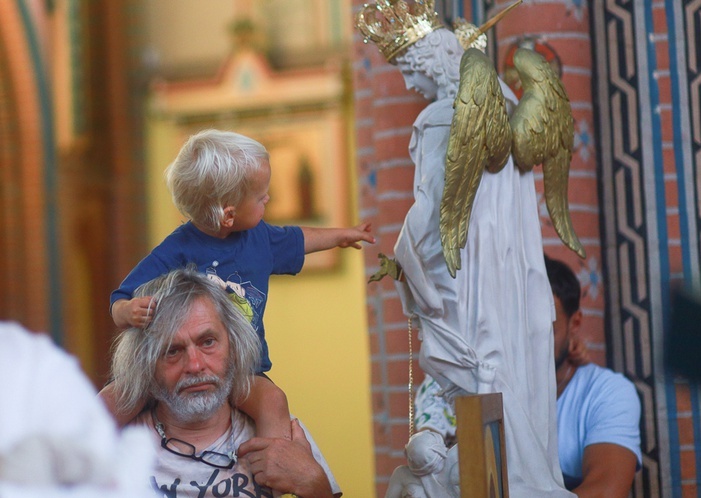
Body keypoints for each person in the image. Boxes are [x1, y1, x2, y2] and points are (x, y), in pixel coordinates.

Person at [358, 2, 568, 495]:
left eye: (409, 68)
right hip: (506, 268)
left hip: (465, 276)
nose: (410, 84)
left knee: (472, 365)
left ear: (432, 59)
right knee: (500, 365)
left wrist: (405, 259)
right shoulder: (510, 105)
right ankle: (524, 474)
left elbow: (433, 210)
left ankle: (516, 477)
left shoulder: (442, 117)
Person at [104, 129, 375, 445]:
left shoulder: (260, 239)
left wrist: (342, 235)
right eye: (261, 197)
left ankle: (275, 468)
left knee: (273, 401)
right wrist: (127, 310)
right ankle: (85, 466)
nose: (268, 199)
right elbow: (121, 297)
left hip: (243, 370)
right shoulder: (175, 251)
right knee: (111, 402)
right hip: (174, 370)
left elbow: (299, 239)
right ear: (229, 214)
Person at [414, 255, 643, 497]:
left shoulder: (606, 393)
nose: (529, 344)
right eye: (516, 327)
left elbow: (605, 491)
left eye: (544, 330)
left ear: (575, 323)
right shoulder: (473, 385)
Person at [109, 267, 342, 498]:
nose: (195, 365)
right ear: (145, 362)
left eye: (208, 342)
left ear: (233, 346)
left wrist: (313, 483)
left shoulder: (281, 433)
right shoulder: (113, 449)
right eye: (172, 350)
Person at [0, 321, 154, 498]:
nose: (193, 365)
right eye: (173, 351)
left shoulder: (36, 368)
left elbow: (108, 480)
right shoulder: (34, 368)